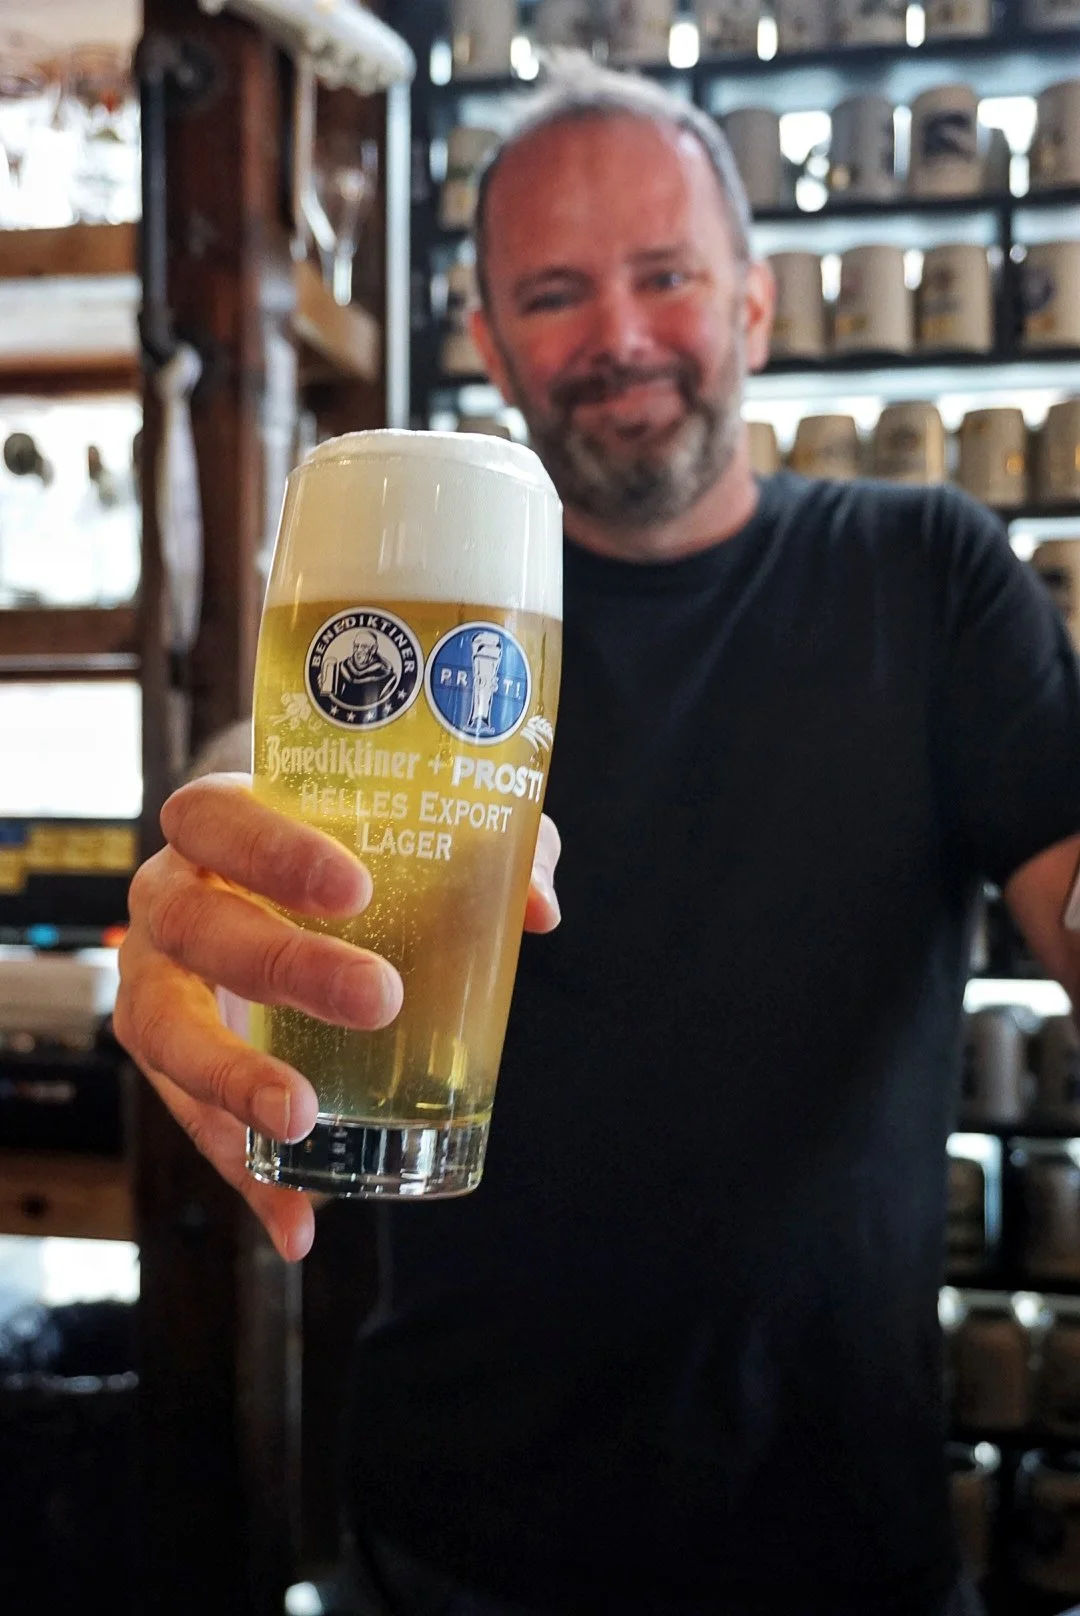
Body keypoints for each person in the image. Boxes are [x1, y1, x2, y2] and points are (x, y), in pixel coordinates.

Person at [114, 57, 1080, 1616]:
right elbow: (279, 761)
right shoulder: (453, 617)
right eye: (555, 294)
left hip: (843, 1544)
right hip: (450, 1542)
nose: (619, 335)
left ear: (756, 302)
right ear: (490, 343)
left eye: (666, 275)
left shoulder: (930, 574)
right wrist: (223, 860)